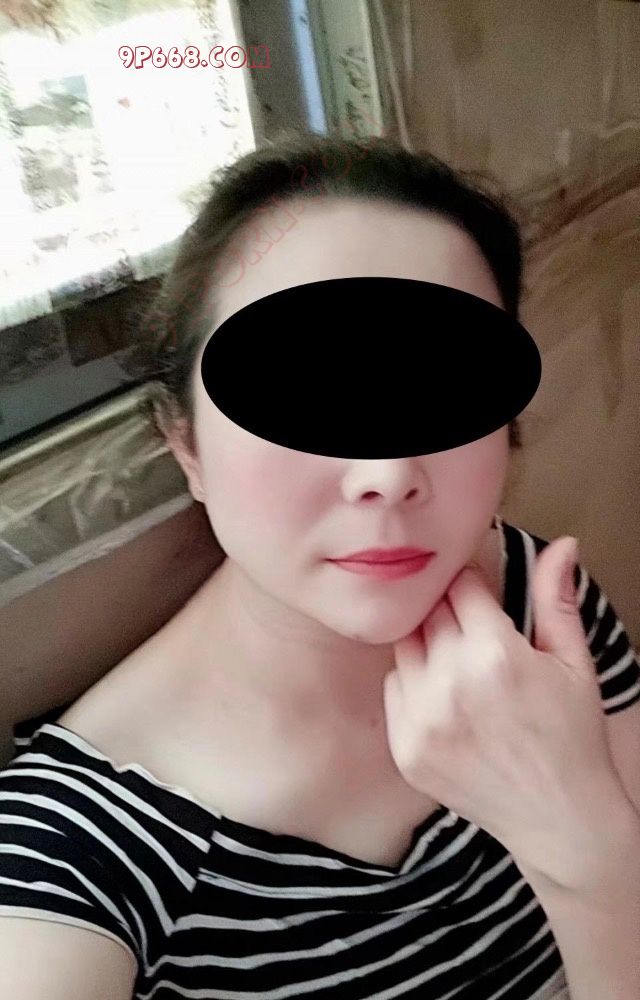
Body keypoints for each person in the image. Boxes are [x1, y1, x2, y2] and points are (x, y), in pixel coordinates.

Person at [2, 130, 640, 1000]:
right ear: (185, 444)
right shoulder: (72, 859)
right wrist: (593, 864)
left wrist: (587, 856)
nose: (387, 472)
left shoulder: (539, 608)